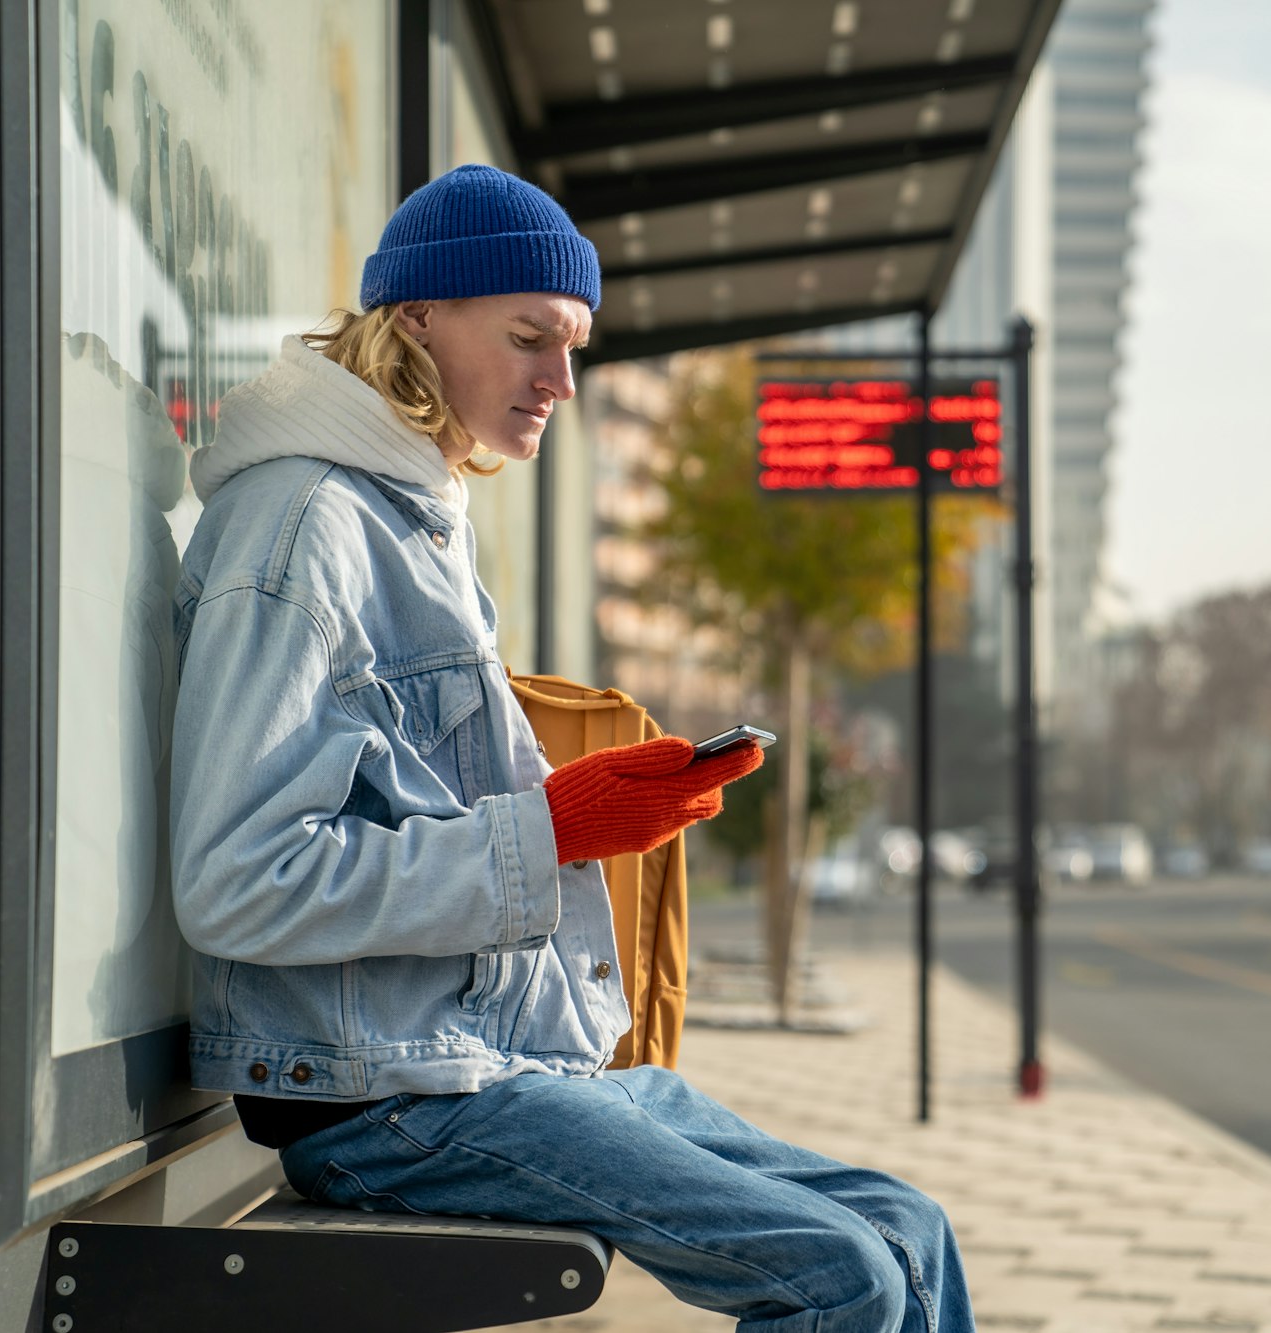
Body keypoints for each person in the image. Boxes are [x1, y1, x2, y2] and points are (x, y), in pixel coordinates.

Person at [170, 163, 970, 1333]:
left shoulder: (413, 514)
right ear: (420, 318)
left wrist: (592, 810)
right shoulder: (304, 532)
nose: (563, 380)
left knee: (908, 1227)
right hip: (385, 1096)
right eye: (532, 337)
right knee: (835, 1275)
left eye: (574, 344)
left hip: (485, 1062)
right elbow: (236, 883)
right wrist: (554, 827)